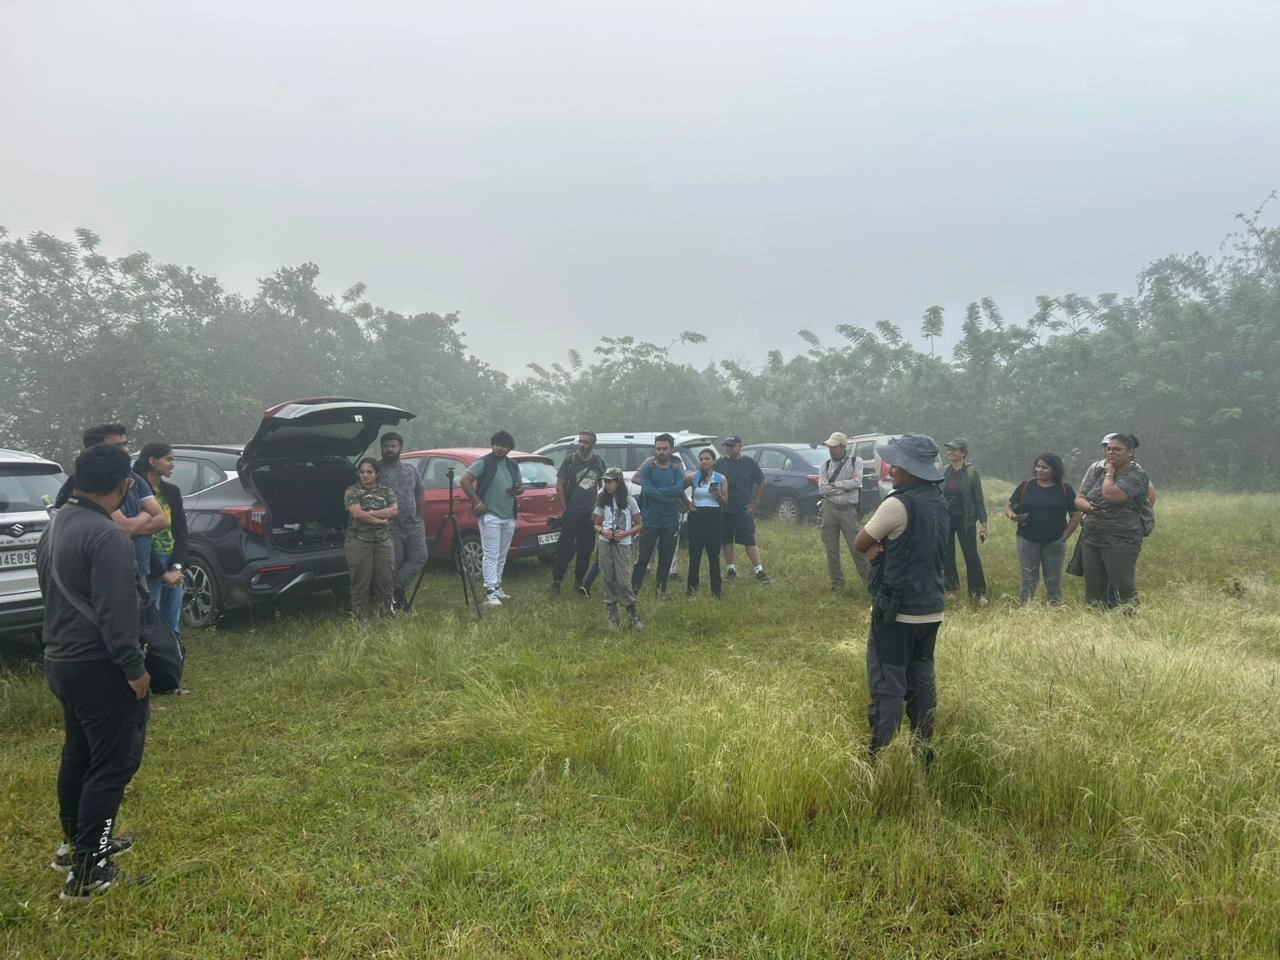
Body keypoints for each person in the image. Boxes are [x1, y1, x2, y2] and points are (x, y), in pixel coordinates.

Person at [37, 443, 151, 901]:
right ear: (125, 486)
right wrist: (134, 668)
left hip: (61, 660)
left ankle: (76, 846)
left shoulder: (57, 523)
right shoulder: (107, 535)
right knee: (114, 763)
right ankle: (89, 870)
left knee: (79, 756)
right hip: (99, 665)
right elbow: (116, 612)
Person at [854, 434, 948, 758]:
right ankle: (923, 751)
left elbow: (861, 542)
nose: (891, 469)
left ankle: (880, 757)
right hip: (931, 609)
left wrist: (877, 548)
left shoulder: (896, 504)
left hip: (897, 612)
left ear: (911, 469)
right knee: (922, 680)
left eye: (897, 464)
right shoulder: (939, 501)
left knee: (888, 684)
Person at [55, 424, 168, 579]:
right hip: (109, 570)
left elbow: (161, 520)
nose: (125, 450)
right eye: (117, 446)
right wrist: (146, 515)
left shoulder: (135, 479)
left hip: (139, 569)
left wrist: (132, 526)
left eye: (125, 444)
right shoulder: (91, 486)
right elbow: (125, 529)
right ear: (98, 451)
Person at [1074, 433, 1150, 610]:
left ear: (1130, 452)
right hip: (1092, 537)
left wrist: (1109, 474)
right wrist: (1090, 509)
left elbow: (1110, 495)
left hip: (1120, 540)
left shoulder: (1136, 475)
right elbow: (1079, 498)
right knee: (1093, 590)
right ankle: (1096, 623)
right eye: (1108, 449)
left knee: (1123, 586)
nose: (1111, 452)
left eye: (1117, 449)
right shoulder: (1097, 470)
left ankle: (1130, 621)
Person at [136, 444, 191, 684]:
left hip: (172, 563)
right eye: (168, 459)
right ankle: (151, 677)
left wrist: (177, 567)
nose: (172, 464)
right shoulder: (137, 490)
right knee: (152, 623)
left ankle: (172, 678)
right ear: (152, 461)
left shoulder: (172, 491)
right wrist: (161, 573)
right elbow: (137, 536)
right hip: (150, 565)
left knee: (172, 622)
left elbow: (181, 531)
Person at [1004, 452, 1081, 605]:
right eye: (1038, 466)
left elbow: (1076, 515)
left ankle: (1055, 610)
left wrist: (1064, 537)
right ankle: (1026, 611)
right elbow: (1008, 506)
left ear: (1054, 470)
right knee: (1028, 579)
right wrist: (1013, 516)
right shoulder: (1026, 486)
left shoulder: (1065, 489)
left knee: (1053, 580)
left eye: (1044, 467)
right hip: (1027, 540)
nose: (1039, 470)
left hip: (1055, 542)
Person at [460, 430, 523, 607]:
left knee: (502, 554)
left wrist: (518, 490)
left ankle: (497, 586)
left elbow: (520, 486)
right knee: (491, 554)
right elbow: (465, 480)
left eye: (503, 445)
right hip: (490, 515)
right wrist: (477, 501)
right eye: (496, 444)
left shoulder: (513, 465)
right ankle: (490, 593)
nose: (499, 448)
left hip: (509, 515)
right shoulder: (484, 462)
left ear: (509, 448)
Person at [551, 431, 606, 597]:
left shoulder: (598, 462)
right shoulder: (570, 461)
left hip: (590, 513)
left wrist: (599, 509)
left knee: (586, 548)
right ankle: (557, 581)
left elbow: (604, 486)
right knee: (564, 548)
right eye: (580, 441)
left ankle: (579, 580)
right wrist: (564, 508)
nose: (582, 444)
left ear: (593, 444)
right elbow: (559, 484)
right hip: (572, 510)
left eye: (586, 442)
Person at [377, 432, 428, 611]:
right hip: (391, 526)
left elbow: (420, 492)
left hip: (414, 524)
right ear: (381, 448)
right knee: (395, 564)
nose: (389, 450)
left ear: (400, 448)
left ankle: (396, 589)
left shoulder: (410, 469)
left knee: (420, 557)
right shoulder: (376, 470)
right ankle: (395, 601)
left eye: (393, 446)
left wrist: (420, 516)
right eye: (386, 446)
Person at [630, 434, 685, 598]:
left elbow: (678, 489)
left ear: (671, 449)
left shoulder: (677, 469)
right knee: (643, 558)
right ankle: (633, 591)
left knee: (666, 559)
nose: (661, 452)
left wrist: (658, 492)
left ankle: (660, 592)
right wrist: (667, 496)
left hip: (670, 520)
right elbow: (648, 490)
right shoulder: (648, 467)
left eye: (664, 448)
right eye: (658, 448)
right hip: (650, 520)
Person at [343, 457, 398, 619]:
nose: (365, 475)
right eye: (362, 472)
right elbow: (357, 514)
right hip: (359, 540)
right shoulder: (352, 491)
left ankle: (386, 615)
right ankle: (361, 619)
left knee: (386, 580)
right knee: (360, 581)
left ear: (377, 474)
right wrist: (381, 521)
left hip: (383, 541)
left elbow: (394, 511)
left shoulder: (387, 491)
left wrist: (371, 513)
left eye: (369, 472)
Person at [817, 431, 871, 596]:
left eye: (834, 447)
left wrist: (834, 485)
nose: (831, 450)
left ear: (842, 447)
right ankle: (837, 586)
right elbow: (822, 489)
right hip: (829, 509)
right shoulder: (824, 465)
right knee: (831, 550)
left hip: (848, 510)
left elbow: (857, 482)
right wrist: (844, 487)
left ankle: (871, 584)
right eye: (830, 447)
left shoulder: (856, 461)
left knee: (858, 548)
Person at [593, 467, 644, 630]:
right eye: (605, 481)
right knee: (607, 577)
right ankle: (612, 614)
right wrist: (603, 531)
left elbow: (639, 524)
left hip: (622, 543)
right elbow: (596, 524)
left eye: (610, 481)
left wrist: (625, 533)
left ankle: (632, 614)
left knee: (623, 581)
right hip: (605, 542)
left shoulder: (629, 501)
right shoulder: (602, 499)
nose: (607, 484)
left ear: (618, 482)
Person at [715, 436, 770, 582]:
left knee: (749, 540)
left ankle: (759, 570)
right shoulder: (720, 463)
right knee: (726, 540)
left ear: (740, 446)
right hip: (724, 509)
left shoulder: (749, 463)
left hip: (742, 509)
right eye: (726, 445)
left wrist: (755, 502)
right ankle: (730, 569)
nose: (728, 448)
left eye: (731, 445)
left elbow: (762, 482)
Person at [941, 438, 988, 604]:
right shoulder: (944, 471)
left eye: (954, 450)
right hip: (946, 519)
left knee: (971, 555)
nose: (950, 452)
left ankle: (978, 592)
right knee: (947, 554)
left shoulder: (971, 472)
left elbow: (978, 499)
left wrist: (983, 522)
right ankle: (951, 589)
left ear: (963, 453)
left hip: (966, 519)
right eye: (949, 449)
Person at [683, 449, 727, 598]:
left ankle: (716, 591)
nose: (704, 461)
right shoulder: (693, 477)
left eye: (707, 459)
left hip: (714, 516)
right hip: (697, 515)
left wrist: (719, 495)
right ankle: (692, 590)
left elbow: (725, 501)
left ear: (713, 461)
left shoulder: (721, 478)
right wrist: (688, 503)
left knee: (713, 555)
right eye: (701, 459)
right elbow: (678, 490)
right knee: (695, 554)